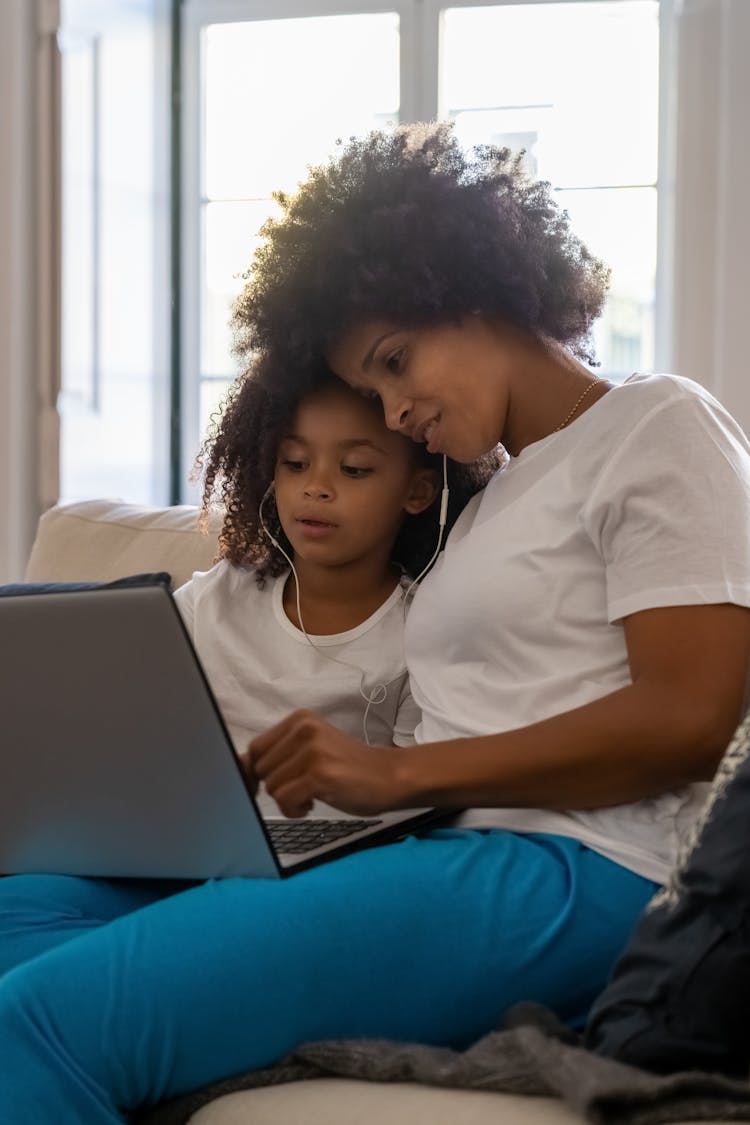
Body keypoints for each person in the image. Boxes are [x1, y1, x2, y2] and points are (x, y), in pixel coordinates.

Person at [1, 121, 749, 1123]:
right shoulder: (492, 502)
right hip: (426, 847)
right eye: (374, 388)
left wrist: (398, 775)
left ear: (475, 289)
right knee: (28, 907)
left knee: (35, 1022)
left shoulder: (657, 423)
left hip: (581, 869)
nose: (394, 412)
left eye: (398, 364)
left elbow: (694, 717)